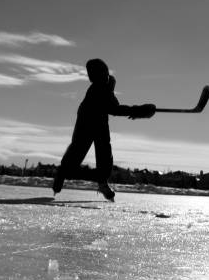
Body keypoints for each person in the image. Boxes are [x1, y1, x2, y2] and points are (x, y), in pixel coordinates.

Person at [52, 58, 155, 201]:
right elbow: (114, 109)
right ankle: (62, 174)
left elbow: (115, 106)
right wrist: (140, 111)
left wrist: (139, 112)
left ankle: (102, 183)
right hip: (86, 123)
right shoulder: (96, 89)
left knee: (105, 156)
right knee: (75, 155)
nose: (93, 76)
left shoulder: (106, 86)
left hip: (100, 123)